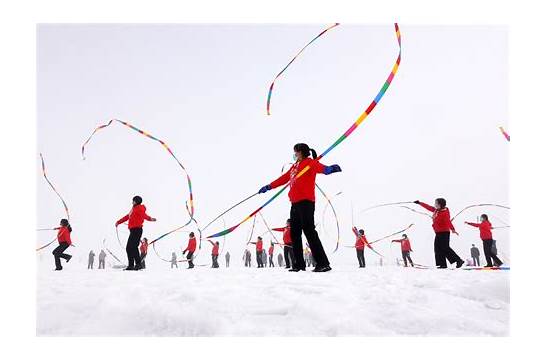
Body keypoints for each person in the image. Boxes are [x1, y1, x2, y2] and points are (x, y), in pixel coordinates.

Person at [258, 143, 342, 272]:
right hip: (295, 203)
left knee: (309, 231)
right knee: (294, 233)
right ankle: (298, 264)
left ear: (301, 152)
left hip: (306, 202)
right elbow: (283, 179)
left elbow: (322, 169)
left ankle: (323, 263)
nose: (294, 154)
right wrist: (269, 186)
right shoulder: (294, 167)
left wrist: (330, 169)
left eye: (295, 152)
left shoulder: (310, 163)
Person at [415, 199, 464, 269]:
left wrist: (453, 229)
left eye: (436, 203)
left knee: (445, 247)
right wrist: (419, 203)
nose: (434, 204)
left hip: (444, 232)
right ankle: (441, 265)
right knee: (437, 249)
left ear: (440, 205)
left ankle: (458, 260)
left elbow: (448, 222)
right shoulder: (437, 210)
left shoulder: (444, 213)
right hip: (438, 232)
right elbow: (429, 207)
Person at [115, 195, 156, 271]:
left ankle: (138, 264)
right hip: (133, 230)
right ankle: (131, 265)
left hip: (137, 230)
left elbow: (144, 216)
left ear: (136, 201)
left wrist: (150, 219)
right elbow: (127, 217)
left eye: (133, 200)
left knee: (132, 247)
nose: (132, 202)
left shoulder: (139, 208)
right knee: (129, 248)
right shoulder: (133, 209)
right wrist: (118, 222)